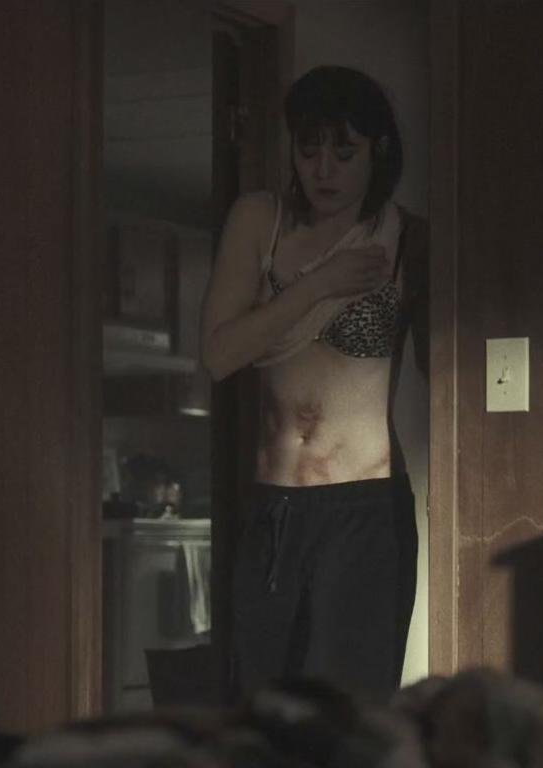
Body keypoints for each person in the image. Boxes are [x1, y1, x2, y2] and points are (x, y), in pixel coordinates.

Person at [199, 65, 427, 702]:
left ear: (378, 150)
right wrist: (318, 285)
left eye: (344, 153)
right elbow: (219, 355)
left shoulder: (407, 239)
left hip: (364, 509)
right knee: (260, 709)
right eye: (309, 150)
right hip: (273, 510)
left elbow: (450, 363)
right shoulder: (260, 220)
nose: (323, 170)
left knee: (346, 716)